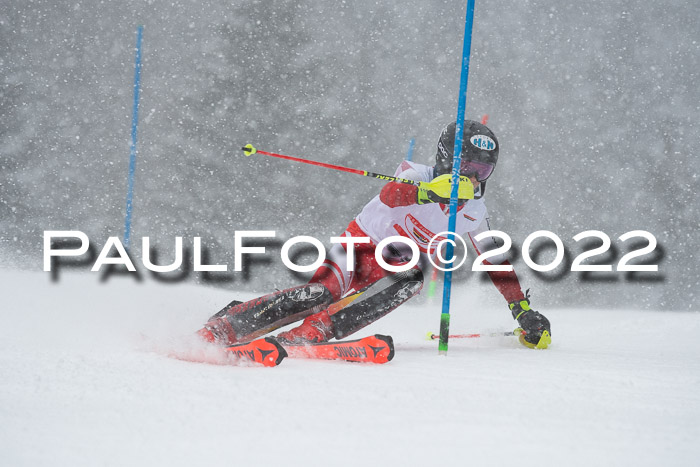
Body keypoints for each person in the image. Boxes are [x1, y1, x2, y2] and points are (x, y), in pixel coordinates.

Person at [199, 120, 551, 349]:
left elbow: (496, 261)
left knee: (411, 278)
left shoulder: (475, 211)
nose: (474, 178)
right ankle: (230, 325)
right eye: (467, 168)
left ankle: (309, 335)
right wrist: (431, 191)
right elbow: (391, 195)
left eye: (482, 170)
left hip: (391, 269)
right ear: (447, 160)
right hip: (357, 247)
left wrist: (521, 310)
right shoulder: (417, 173)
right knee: (322, 292)